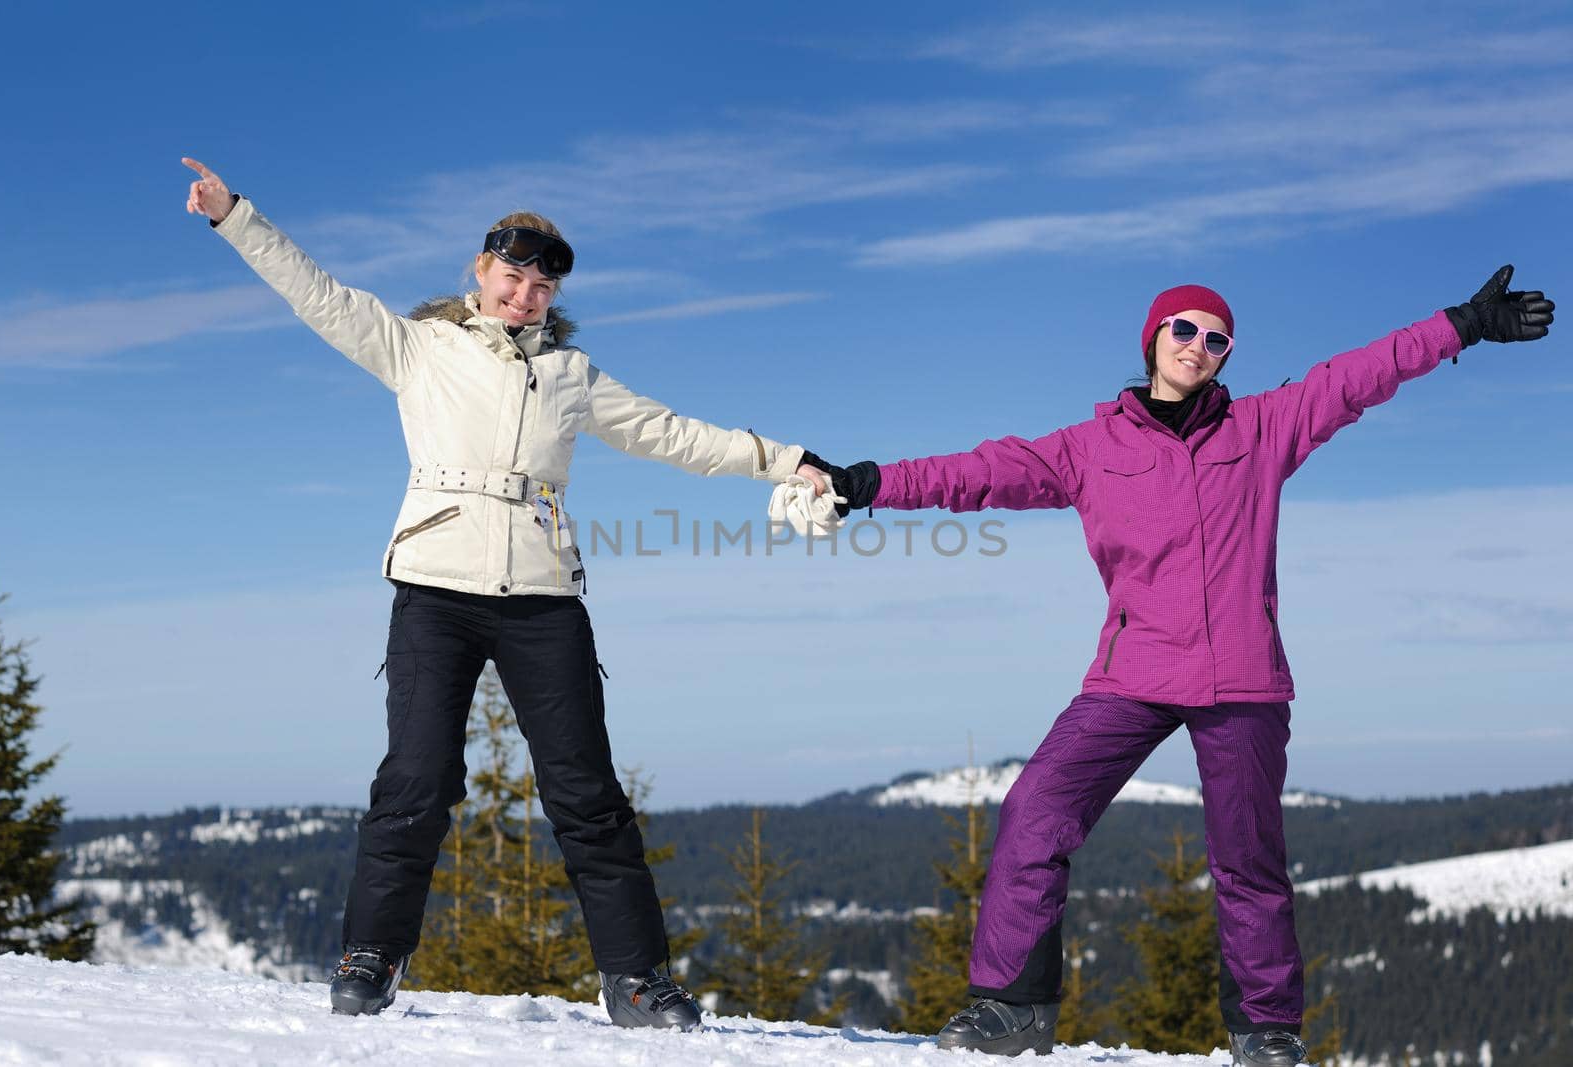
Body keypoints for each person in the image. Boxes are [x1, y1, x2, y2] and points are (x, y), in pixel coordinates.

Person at [806, 270, 1553, 1063]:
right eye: (1184, 331)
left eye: (1216, 338)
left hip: (1243, 679)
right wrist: (867, 483)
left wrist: (1463, 325)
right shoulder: (1089, 449)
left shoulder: (1264, 428)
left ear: (1227, 356)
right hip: (1134, 673)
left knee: (1248, 857)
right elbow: (981, 470)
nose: (1199, 346)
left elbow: (1359, 374)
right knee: (1034, 809)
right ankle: (1014, 1007)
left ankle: (1266, 1029)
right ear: (1154, 341)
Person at [182, 157, 829, 1027]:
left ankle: (636, 978)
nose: (524, 295)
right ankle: (371, 954)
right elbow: (319, 294)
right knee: (415, 780)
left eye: (540, 285)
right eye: (511, 276)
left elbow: (674, 434)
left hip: (542, 596)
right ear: (480, 273)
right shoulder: (418, 348)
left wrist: (785, 460)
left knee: (585, 793)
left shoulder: (572, 377)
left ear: (553, 295)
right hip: (435, 588)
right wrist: (234, 216)